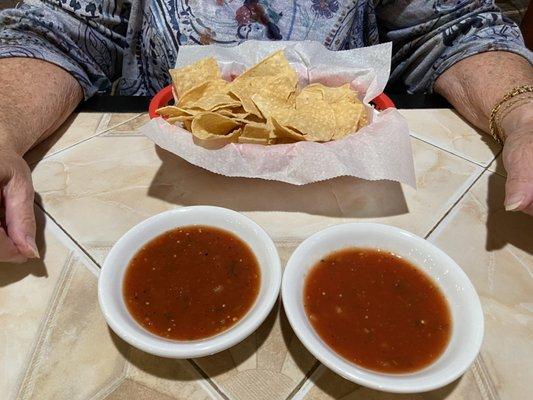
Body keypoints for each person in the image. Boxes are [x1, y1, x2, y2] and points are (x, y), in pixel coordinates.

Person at [0, 0, 531, 263]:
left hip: (348, 189)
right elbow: (63, 26)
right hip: (148, 185)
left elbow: (450, 22)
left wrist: (524, 117)